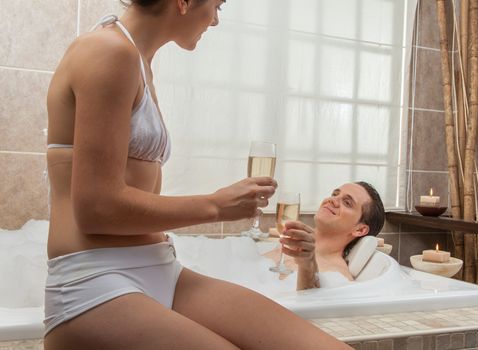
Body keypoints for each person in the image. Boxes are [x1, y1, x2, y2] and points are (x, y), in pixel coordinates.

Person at [44, 0, 352, 349]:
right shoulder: (108, 51)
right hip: (96, 283)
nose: (216, 20)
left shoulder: (137, 59)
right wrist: (216, 206)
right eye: (217, 6)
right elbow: (96, 208)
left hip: (161, 270)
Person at [265, 182, 385, 290]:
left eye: (347, 202)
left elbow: (308, 308)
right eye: (335, 194)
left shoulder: (338, 276)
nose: (332, 200)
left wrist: (308, 266)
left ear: (360, 230)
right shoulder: (287, 245)